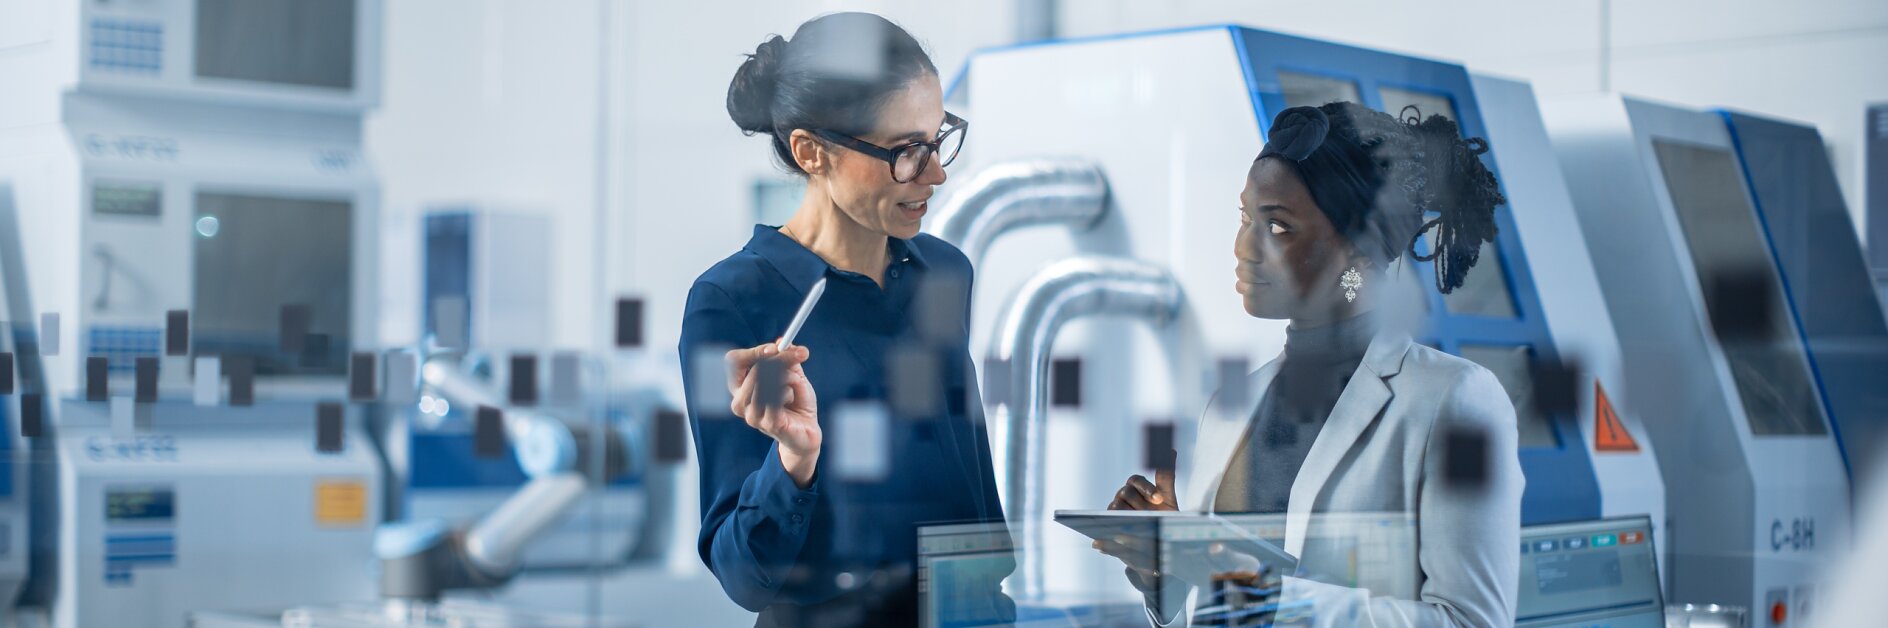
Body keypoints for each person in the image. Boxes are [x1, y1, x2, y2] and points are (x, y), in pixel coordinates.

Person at [1099, 102, 1525, 627]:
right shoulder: (1230, 407)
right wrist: (1163, 573)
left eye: (1277, 227)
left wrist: (1271, 596)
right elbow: (1213, 609)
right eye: (1244, 218)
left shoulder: (1456, 402)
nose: (1244, 248)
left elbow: (1472, 621)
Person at [678, 12, 1009, 628]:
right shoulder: (732, 300)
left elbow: (969, 492)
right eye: (905, 151)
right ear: (811, 152)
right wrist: (792, 462)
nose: (935, 173)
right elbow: (741, 574)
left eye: (938, 139)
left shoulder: (944, 273)